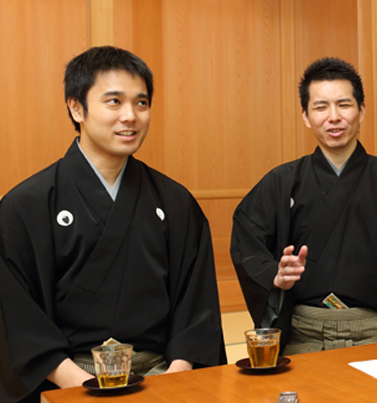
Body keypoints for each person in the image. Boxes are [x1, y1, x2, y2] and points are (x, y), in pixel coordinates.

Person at [0, 46, 226, 402]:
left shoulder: (175, 201)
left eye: (141, 103)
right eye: (114, 102)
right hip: (67, 381)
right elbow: (17, 315)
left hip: (159, 376)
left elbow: (196, 306)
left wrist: (176, 376)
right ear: (77, 107)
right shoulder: (26, 204)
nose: (130, 116)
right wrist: (76, 383)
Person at [230, 57, 377, 355]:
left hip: (376, 338)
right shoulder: (281, 182)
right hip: (302, 340)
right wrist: (274, 276)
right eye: (320, 107)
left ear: (361, 110)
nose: (333, 117)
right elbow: (245, 242)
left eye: (344, 104)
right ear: (305, 116)